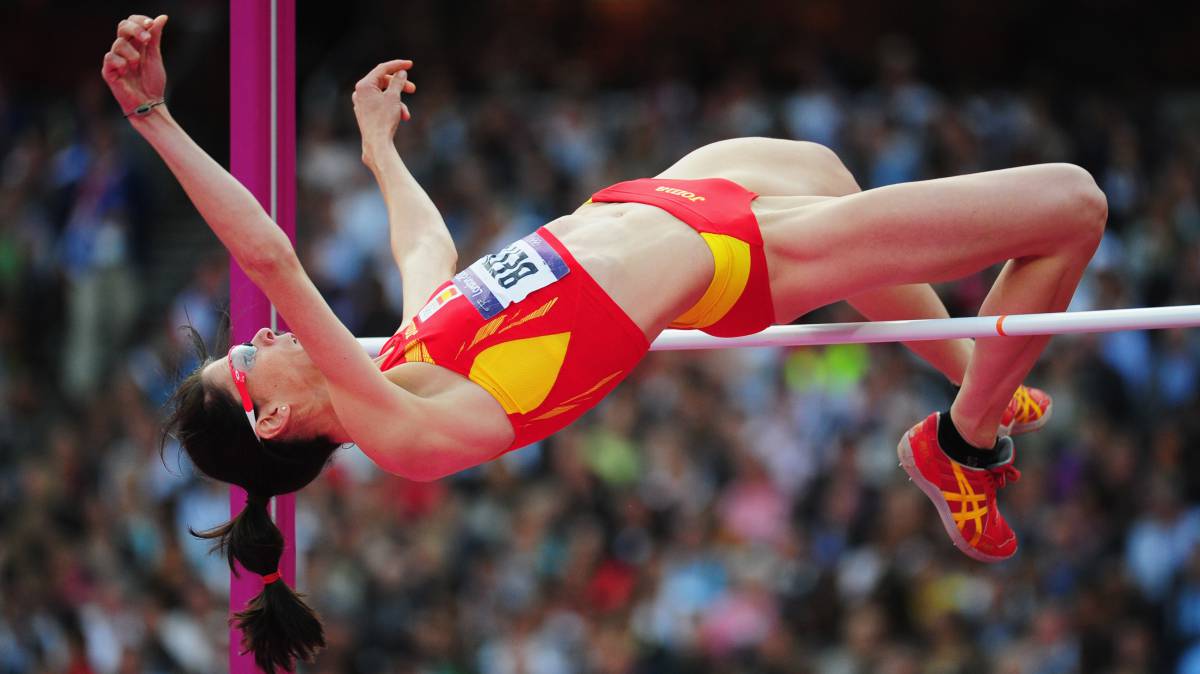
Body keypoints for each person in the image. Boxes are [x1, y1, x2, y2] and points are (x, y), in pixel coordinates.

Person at [102, 13, 1104, 673]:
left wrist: (380, 151)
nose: (262, 331)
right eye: (243, 355)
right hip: (740, 258)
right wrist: (155, 117)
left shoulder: (405, 353)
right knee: (1071, 206)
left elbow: (426, 243)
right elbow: (272, 257)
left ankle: (979, 376)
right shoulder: (404, 424)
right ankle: (963, 441)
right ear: (272, 412)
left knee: (832, 170)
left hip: (678, 190)